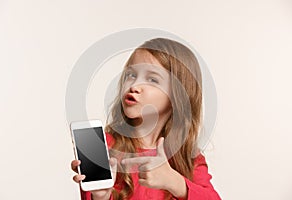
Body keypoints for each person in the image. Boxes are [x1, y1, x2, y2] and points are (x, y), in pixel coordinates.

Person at [71, 38, 221, 200]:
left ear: (178, 95)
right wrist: (101, 197)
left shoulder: (188, 156)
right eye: (131, 74)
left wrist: (174, 182)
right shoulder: (102, 146)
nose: (134, 86)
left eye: (152, 79)